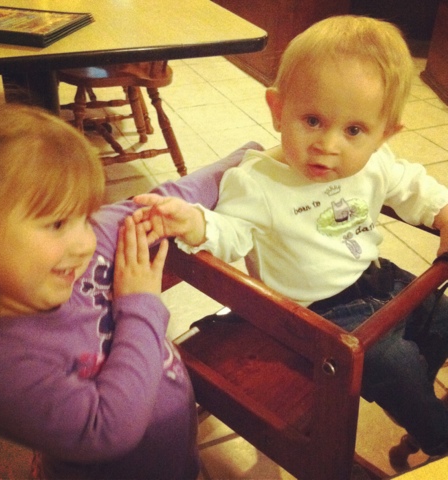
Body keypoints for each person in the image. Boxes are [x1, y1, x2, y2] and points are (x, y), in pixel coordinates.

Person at [132, 15, 448, 457]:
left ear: (382, 136)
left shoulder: (375, 161)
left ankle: (412, 404)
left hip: (379, 278)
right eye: (313, 120)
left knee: (440, 318)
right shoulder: (257, 182)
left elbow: (413, 186)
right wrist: (196, 222)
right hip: (314, 314)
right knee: (391, 362)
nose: (328, 145)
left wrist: (443, 211)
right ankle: (437, 437)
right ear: (278, 109)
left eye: (354, 130)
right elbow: (231, 232)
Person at [0, 102, 253, 479]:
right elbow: (107, 429)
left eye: (85, 217)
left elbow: (168, 199)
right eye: (57, 224)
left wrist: (250, 160)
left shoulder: (78, 253)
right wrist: (141, 304)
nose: (85, 243)